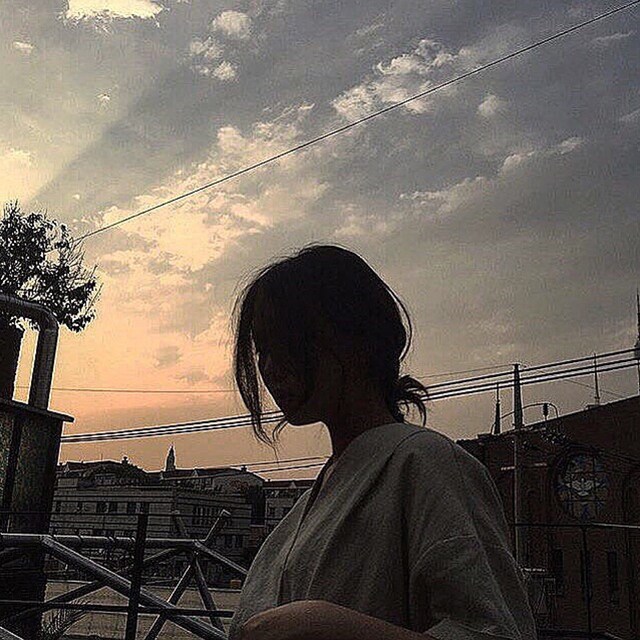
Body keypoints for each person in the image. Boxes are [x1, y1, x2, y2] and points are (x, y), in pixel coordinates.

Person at [227, 243, 536, 640]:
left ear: (356, 338)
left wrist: (328, 626)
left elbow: (493, 630)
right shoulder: (313, 500)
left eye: (288, 342)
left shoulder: (428, 464)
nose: (270, 367)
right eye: (262, 350)